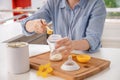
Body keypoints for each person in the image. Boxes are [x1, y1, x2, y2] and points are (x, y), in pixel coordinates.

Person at [21, 0, 106, 54]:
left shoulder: (97, 3)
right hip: (61, 57)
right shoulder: (53, 2)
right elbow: (25, 24)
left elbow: (93, 39)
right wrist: (33, 25)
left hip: (88, 58)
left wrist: (73, 44)